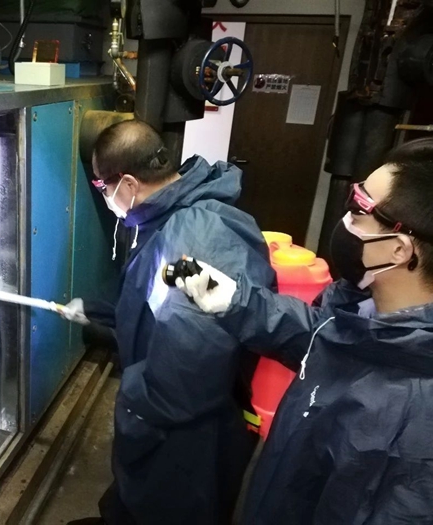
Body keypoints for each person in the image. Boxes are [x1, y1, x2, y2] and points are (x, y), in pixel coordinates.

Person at [178, 137, 433, 524]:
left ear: (399, 249)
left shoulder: (413, 419)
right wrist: (235, 300)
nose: (345, 220)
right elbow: (327, 337)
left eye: (358, 207)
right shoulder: (367, 313)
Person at [63, 120, 276, 524]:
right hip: (176, 417)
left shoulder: (195, 237)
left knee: (169, 506)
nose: (105, 196)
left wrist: (132, 399)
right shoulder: (171, 215)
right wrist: (96, 311)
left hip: (186, 432)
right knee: (134, 499)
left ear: (128, 183)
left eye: (102, 186)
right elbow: (152, 302)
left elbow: (186, 376)